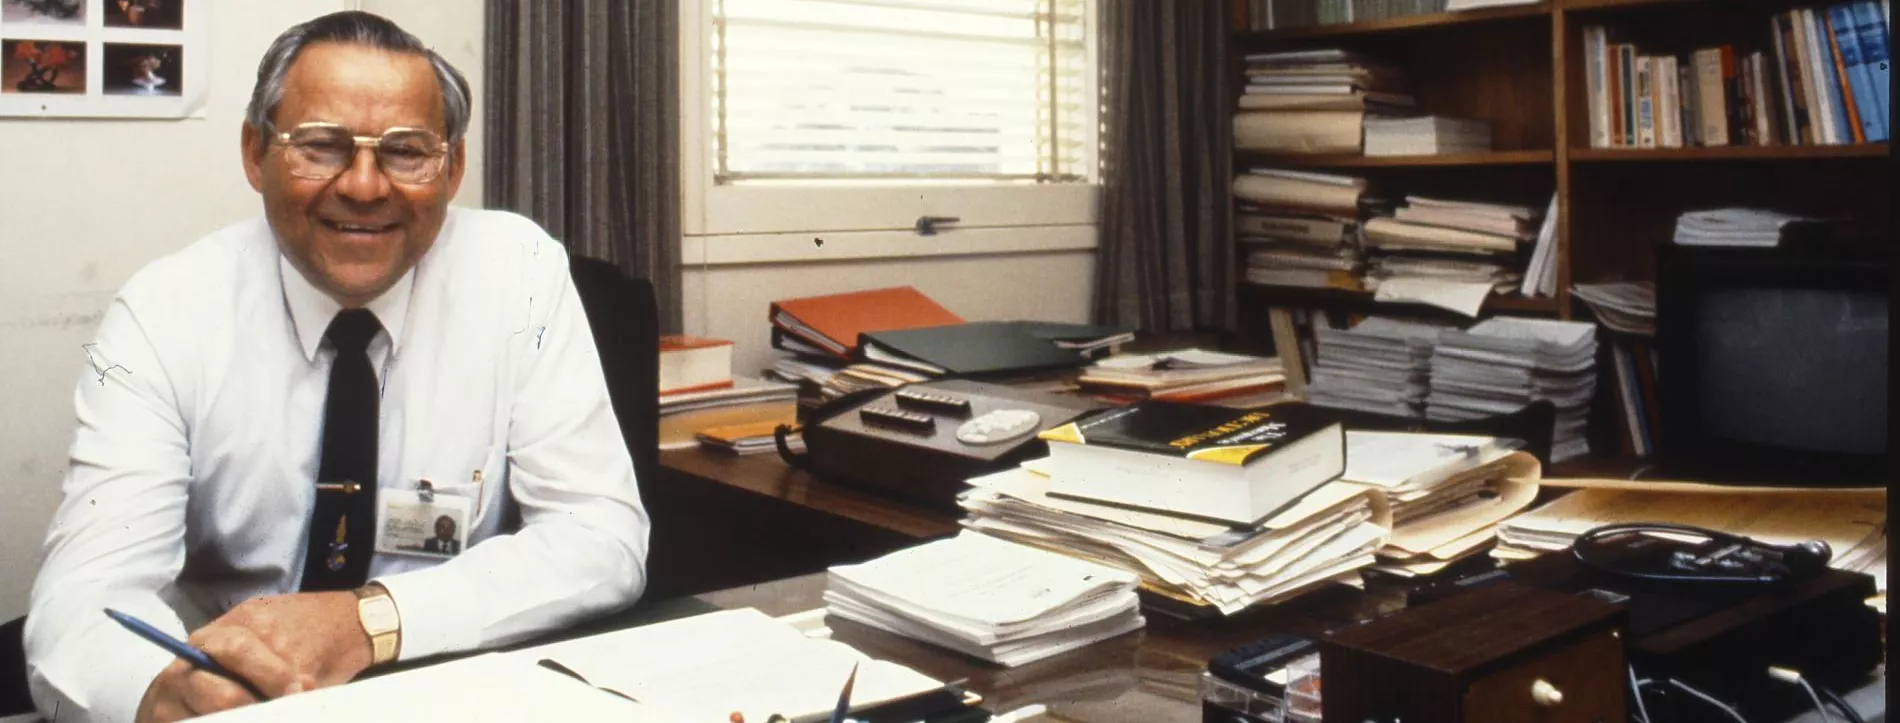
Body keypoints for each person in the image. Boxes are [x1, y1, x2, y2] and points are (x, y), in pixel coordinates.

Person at [23, 11, 650, 723]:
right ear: (255, 152)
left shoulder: (519, 273)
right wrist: (164, 692)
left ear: (453, 166)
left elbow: (602, 537)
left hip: (450, 689)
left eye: (406, 151)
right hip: (232, 699)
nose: (363, 185)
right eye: (320, 146)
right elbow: (83, 599)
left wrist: (366, 621)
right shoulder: (166, 310)